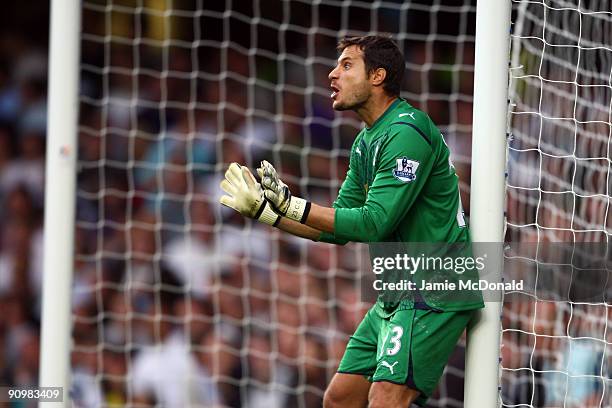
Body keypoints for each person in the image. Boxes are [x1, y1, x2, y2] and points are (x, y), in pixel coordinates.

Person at [219, 35, 483, 407]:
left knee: (385, 398)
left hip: (434, 286)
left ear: (377, 76)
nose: (332, 74)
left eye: (346, 65)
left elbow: (372, 223)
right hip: (396, 294)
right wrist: (267, 212)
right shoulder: (365, 141)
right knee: (340, 399)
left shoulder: (407, 133)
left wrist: (293, 205)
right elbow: (339, 229)